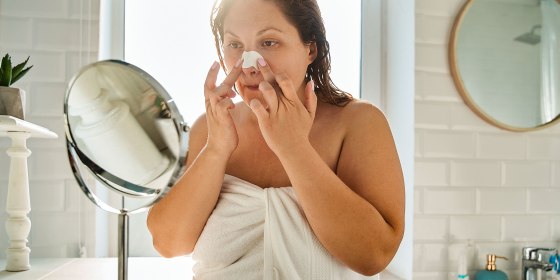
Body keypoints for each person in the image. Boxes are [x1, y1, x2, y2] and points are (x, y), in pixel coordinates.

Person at [147, 0, 405, 278]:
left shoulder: (358, 123)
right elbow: (169, 244)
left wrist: (294, 149)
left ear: (310, 49)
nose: (248, 64)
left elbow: (373, 256)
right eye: (234, 44)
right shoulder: (209, 128)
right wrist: (216, 149)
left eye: (269, 42)